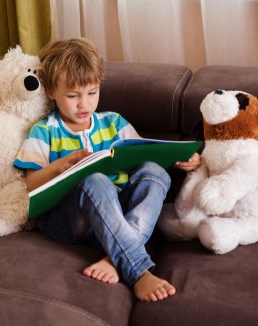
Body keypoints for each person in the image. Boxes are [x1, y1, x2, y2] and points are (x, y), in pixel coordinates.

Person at [14, 37, 200, 302]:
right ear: (50, 92)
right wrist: (59, 167)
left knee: (155, 172)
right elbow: (31, 185)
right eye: (72, 95)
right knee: (96, 180)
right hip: (70, 219)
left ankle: (113, 257)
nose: (84, 104)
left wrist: (184, 159)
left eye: (92, 93)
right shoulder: (44, 131)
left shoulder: (113, 122)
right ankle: (138, 272)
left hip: (117, 215)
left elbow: (143, 154)